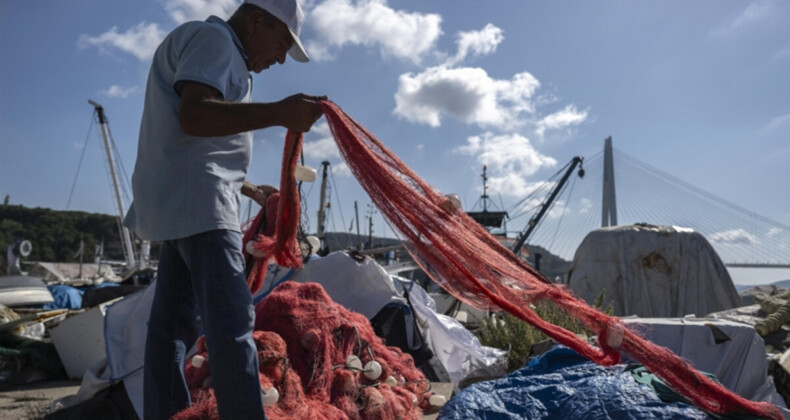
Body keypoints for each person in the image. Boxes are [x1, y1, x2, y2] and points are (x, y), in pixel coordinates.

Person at [122, 0, 325, 418]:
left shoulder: (209, 44)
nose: (281, 59)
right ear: (255, 21)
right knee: (232, 327)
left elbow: (197, 144)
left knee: (170, 330)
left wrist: (249, 189)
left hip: (179, 205)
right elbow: (194, 115)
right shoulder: (216, 41)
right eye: (281, 43)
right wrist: (280, 113)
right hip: (204, 208)